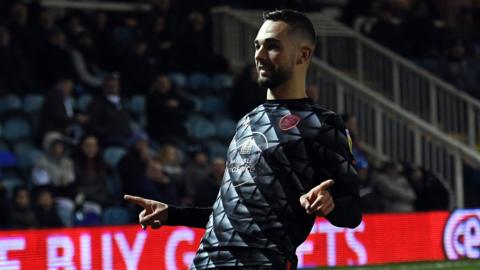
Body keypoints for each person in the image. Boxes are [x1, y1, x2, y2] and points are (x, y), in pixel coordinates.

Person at [125, 9, 361, 269]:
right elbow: (229, 211)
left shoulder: (322, 124)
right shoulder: (248, 121)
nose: (259, 56)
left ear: (303, 55)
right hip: (206, 261)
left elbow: (352, 213)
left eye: (272, 47)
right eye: (257, 46)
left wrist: (329, 206)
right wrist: (172, 213)